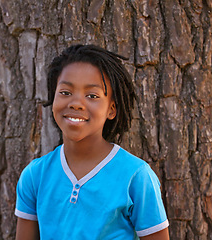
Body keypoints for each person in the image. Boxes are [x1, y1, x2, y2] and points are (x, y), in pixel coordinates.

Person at [15, 44, 170, 240]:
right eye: (65, 92)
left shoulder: (137, 177)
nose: (76, 103)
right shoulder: (35, 175)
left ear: (111, 109)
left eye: (92, 96)